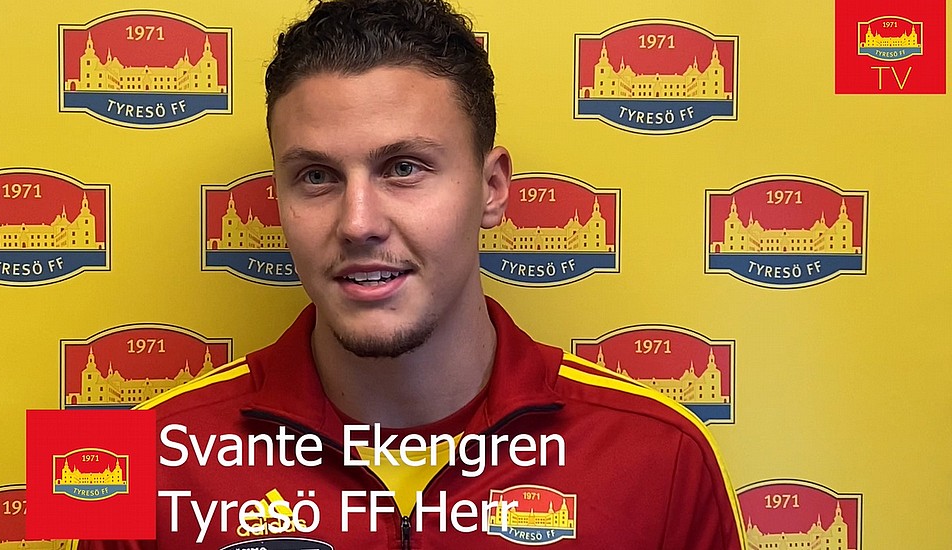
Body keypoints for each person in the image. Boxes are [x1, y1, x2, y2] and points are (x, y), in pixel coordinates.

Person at [76, 0, 744, 548]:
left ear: (491, 189)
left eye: (404, 168)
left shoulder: (666, 454)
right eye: (317, 176)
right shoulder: (128, 458)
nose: (358, 222)